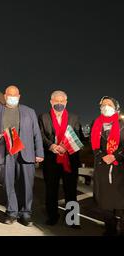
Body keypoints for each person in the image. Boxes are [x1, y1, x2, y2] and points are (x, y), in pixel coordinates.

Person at [0, 85, 44, 226]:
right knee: (8, 184)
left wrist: (39, 152)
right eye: (9, 95)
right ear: (5, 96)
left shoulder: (29, 112)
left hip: (25, 152)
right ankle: (11, 212)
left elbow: (36, 133)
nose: (12, 98)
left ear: (19, 97)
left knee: (26, 184)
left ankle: (26, 213)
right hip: (5, 152)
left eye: (15, 95)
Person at [38, 90, 84, 227]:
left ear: (66, 102)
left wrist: (66, 147)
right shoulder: (44, 117)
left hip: (69, 159)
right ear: (51, 102)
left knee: (71, 191)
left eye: (62, 101)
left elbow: (79, 136)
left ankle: (72, 219)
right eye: (56, 101)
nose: (59, 104)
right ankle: (52, 216)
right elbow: (40, 135)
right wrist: (51, 146)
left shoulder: (74, 118)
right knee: (51, 190)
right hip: (51, 159)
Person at [91, 96, 124, 236]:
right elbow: (94, 145)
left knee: (121, 198)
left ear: (116, 107)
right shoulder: (96, 123)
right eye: (103, 104)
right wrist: (101, 155)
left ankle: (122, 226)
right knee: (105, 199)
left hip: (120, 167)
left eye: (109, 104)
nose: (106, 107)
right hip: (102, 166)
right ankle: (109, 227)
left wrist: (116, 156)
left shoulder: (122, 123)